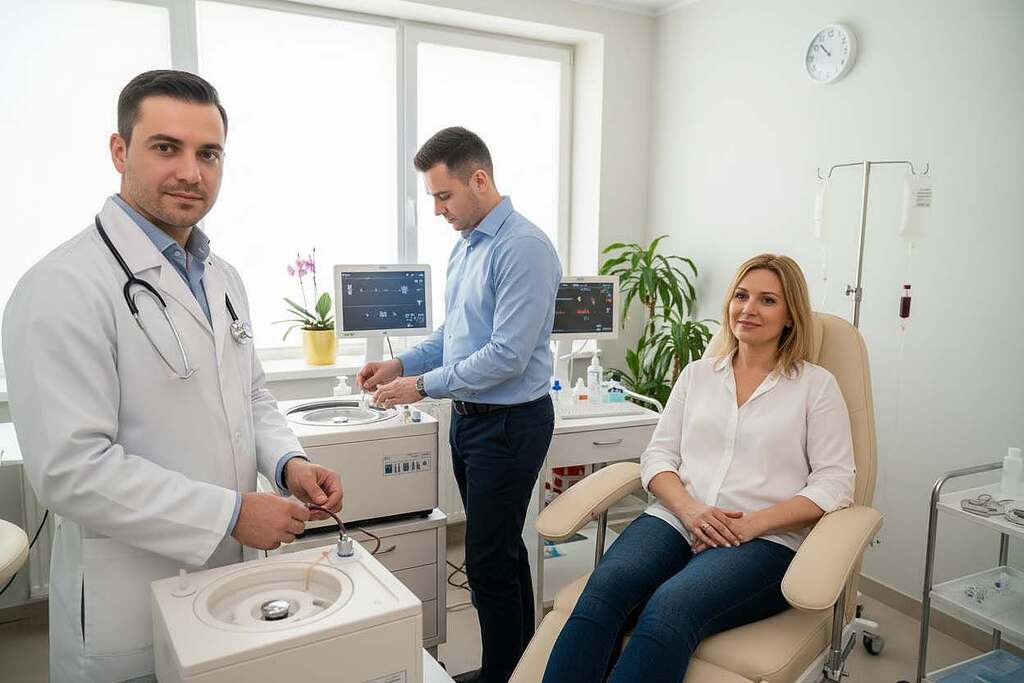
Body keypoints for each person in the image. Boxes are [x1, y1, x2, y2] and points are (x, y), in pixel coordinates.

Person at [1, 70, 342, 682]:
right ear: (118, 151)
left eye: (208, 153)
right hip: (128, 602)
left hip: (230, 585)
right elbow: (70, 470)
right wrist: (231, 514)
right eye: (166, 148)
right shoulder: (61, 286)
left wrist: (289, 463)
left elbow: (252, 394)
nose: (191, 171)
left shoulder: (223, 277)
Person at [542, 254, 856, 683]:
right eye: (741, 296)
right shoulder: (698, 375)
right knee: (604, 591)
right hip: (676, 517)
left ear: (789, 316)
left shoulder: (815, 386)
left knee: (670, 609)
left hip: (763, 539)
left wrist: (752, 524)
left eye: (767, 300)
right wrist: (690, 509)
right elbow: (659, 457)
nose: (748, 309)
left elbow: (836, 482)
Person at [358, 127, 561, 683]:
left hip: (510, 424)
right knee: (503, 556)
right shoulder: (469, 245)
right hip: (471, 422)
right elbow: (458, 334)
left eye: (444, 196)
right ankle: (521, 667)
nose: (439, 209)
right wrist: (403, 365)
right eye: (433, 199)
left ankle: (501, 674)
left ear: (480, 179)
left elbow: (506, 356)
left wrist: (422, 387)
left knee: (487, 562)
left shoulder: (523, 247)